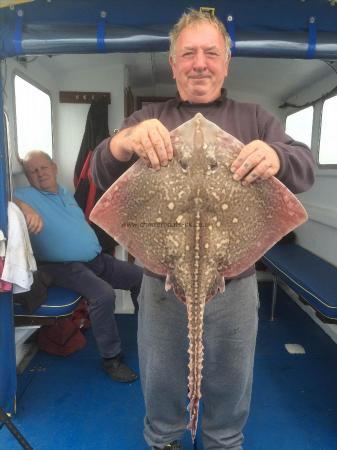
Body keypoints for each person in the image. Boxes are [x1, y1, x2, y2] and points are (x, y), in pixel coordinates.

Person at [90, 9, 315, 450]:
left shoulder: (255, 118)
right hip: (161, 279)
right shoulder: (148, 116)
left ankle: (223, 441)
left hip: (235, 279)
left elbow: (303, 168)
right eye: (188, 53)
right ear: (173, 63)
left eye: (211, 53)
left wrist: (278, 157)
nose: (199, 63)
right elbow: (100, 171)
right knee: (161, 375)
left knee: (232, 377)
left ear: (226, 62)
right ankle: (164, 440)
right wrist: (122, 141)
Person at [14, 150, 143, 383]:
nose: (39, 173)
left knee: (141, 278)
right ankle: (111, 358)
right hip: (64, 266)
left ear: (54, 168)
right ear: (27, 176)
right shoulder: (25, 195)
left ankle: (147, 335)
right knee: (103, 294)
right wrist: (23, 207)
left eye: (43, 167)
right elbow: (4, 197)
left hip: (97, 260)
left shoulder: (64, 192)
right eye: (32, 171)